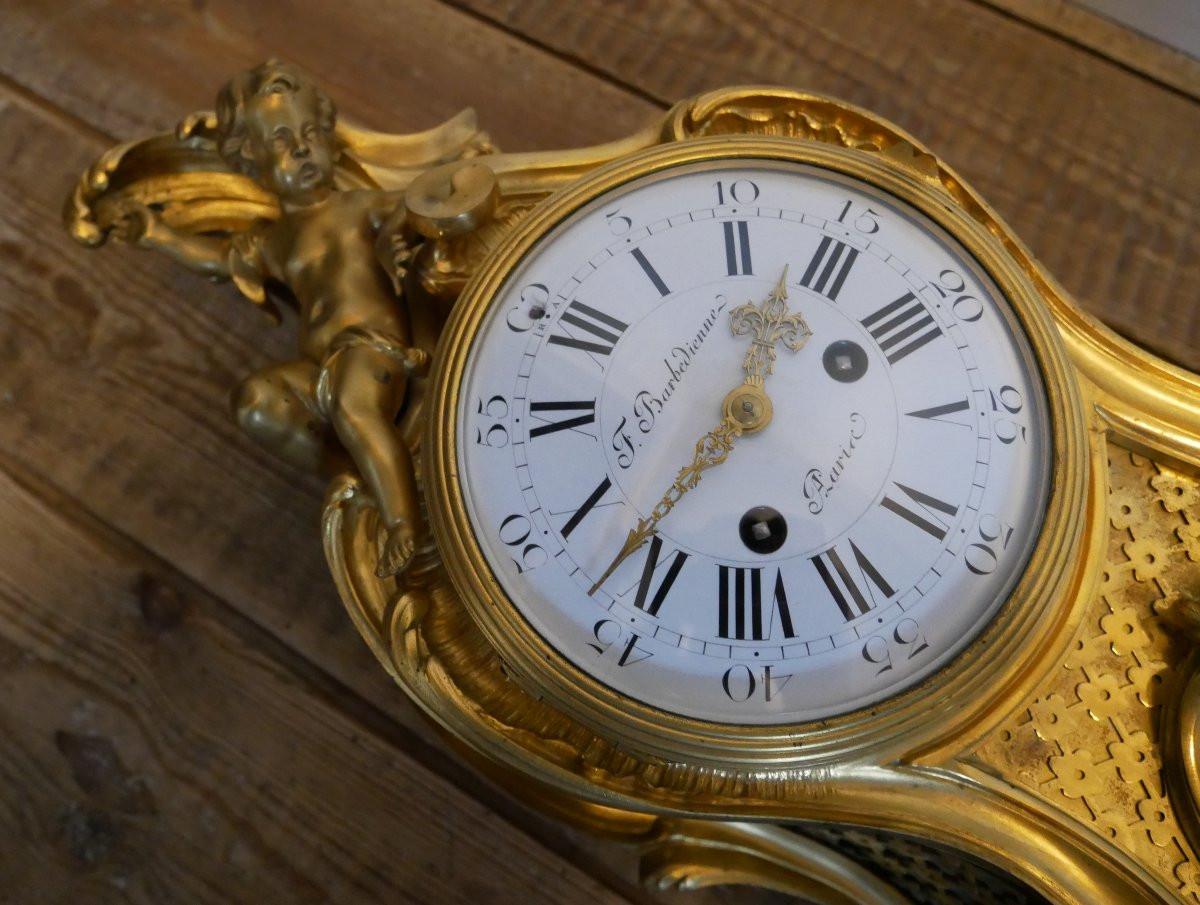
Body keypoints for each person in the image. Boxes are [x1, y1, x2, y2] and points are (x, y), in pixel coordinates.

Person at [118, 61, 428, 576]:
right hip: (319, 367)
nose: (302, 149)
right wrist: (157, 234)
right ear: (251, 160)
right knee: (257, 402)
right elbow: (220, 261)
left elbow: (408, 211)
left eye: (310, 134)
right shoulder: (277, 240)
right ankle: (361, 479)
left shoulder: (358, 206)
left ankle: (404, 523)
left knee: (355, 408)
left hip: (373, 349)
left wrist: (398, 243)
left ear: (331, 138)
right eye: (282, 141)